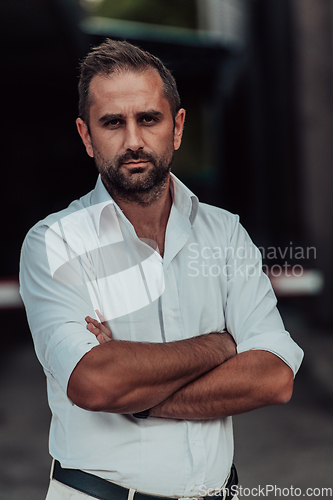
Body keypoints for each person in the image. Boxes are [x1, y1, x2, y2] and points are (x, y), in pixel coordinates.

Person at [19, 39, 303, 500]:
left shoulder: (225, 234)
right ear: (86, 135)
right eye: (112, 122)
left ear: (177, 126)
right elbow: (95, 381)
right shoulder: (56, 242)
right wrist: (222, 344)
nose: (133, 140)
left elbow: (274, 377)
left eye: (148, 118)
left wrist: (140, 399)